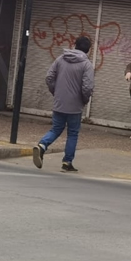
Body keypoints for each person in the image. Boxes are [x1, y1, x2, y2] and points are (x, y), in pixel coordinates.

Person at [33, 36, 95, 172]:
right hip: (75, 105)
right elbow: (87, 87)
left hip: (59, 102)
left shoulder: (61, 59)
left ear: (74, 45)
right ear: (89, 50)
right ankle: (67, 162)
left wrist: (56, 92)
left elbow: (49, 77)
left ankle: (42, 145)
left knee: (56, 129)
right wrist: (84, 100)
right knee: (72, 133)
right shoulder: (86, 64)